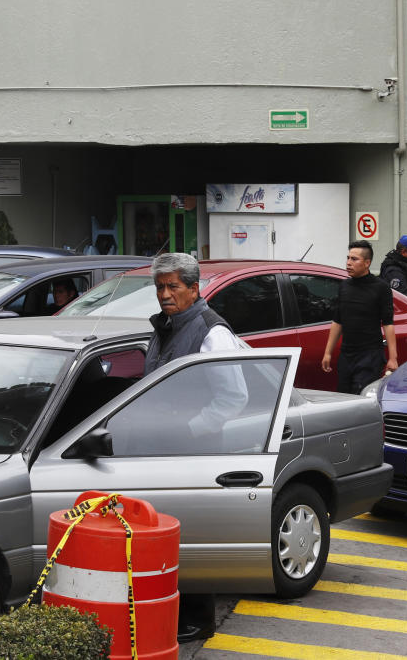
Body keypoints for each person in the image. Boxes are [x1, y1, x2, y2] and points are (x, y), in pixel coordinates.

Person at [143, 252, 241, 644]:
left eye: (173, 287)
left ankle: (199, 619)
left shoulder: (210, 331)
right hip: (161, 449)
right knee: (163, 535)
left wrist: (189, 429)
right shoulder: (166, 326)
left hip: (194, 452)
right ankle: (172, 613)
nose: (165, 294)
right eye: (160, 287)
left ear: (194, 288)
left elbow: (233, 397)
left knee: (189, 535)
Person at [321, 240, 398, 394]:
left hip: (370, 356)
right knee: (343, 399)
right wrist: (327, 352)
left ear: (367, 263)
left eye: (354, 259)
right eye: (348, 258)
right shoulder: (344, 286)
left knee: (361, 399)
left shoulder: (381, 288)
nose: (348, 263)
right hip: (346, 356)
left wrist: (393, 357)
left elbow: (388, 324)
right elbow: (337, 321)